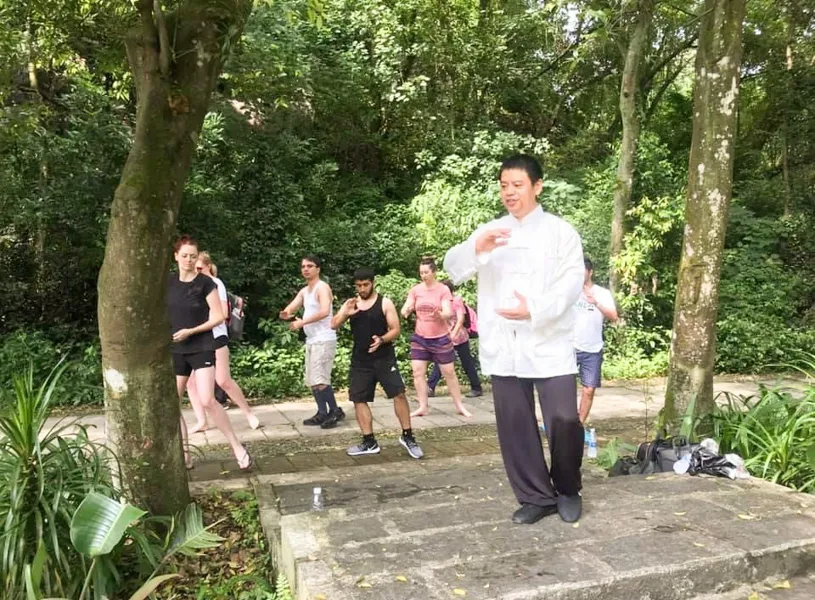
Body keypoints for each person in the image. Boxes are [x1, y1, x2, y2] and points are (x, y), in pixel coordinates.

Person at [443, 154, 584, 524]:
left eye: (517, 185)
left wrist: (534, 308)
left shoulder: (561, 232)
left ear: (537, 186)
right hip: (504, 344)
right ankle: (537, 496)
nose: (509, 192)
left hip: (548, 340)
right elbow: (452, 268)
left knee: (564, 419)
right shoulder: (490, 231)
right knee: (515, 423)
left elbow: (571, 285)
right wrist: (478, 248)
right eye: (504, 185)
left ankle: (568, 488)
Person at [167, 235, 252, 471]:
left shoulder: (206, 283)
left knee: (207, 399)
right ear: (176, 256)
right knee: (172, 404)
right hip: (175, 348)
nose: (188, 260)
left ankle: (237, 447)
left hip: (201, 345)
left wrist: (191, 331)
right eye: (184, 255)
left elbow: (218, 316)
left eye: (193, 256)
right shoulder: (168, 283)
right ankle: (185, 454)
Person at [331, 268, 424, 459]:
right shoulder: (351, 303)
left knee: (398, 394)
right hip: (360, 360)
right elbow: (333, 324)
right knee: (358, 399)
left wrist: (382, 339)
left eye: (366, 285)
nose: (362, 289)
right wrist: (345, 313)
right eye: (359, 286)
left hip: (384, 358)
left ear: (372, 283)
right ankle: (369, 441)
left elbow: (396, 329)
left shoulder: (385, 302)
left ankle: (408, 436)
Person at [185, 251, 262, 433]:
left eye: (200, 268)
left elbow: (223, 315)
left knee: (223, 380)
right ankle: (201, 420)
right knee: (191, 382)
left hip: (215, 336)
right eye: (194, 268)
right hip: (198, 339)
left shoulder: (215, 283)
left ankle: (249, 413)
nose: (197, 271)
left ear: (208, 267)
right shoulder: (193, 286)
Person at [400, 257, 472, 418]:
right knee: (418, 372)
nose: (423, 275)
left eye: (426, 272)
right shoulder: (416, 290)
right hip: (420, 337)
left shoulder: (443, 290)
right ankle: (422, 406)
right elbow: (407, 305)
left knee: (449, 372)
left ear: (434, 272)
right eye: (421, 273)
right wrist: (406, 310)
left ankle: (459, 406)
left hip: (440, 338)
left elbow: (448, 311)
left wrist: (442, 314)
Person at [280, 255, 345, 429]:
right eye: (303, 266)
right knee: (313, 380)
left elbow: (324, 311)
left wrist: (301, 322)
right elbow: (293, 305)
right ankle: (322, 412)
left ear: (318, 269)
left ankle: (334, 412)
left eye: (310, 266)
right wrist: (286, 313)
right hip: (312, 339)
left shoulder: (322, 287)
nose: (306, 269)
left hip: (324, 338)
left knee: (321, 379)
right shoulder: (304, 291)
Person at [574, 258, 618, 424]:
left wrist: (596, 302)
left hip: (592, 348)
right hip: (570, 347)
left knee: (589, 389)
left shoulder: (602, 293)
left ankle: (579, 423)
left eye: (583, 270)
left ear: (590, 272)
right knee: (564, 390)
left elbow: (614, 316)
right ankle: (566, 423)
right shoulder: (570, 291)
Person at [426, 280, 483, 398]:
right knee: (440, 361)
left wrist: (453, 334)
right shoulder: (440, 302)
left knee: (466, 362)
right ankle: (430, 387)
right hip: (445, 336)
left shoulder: (457, 301)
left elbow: (461, 319)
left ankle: (476, 388)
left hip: (460, 337)